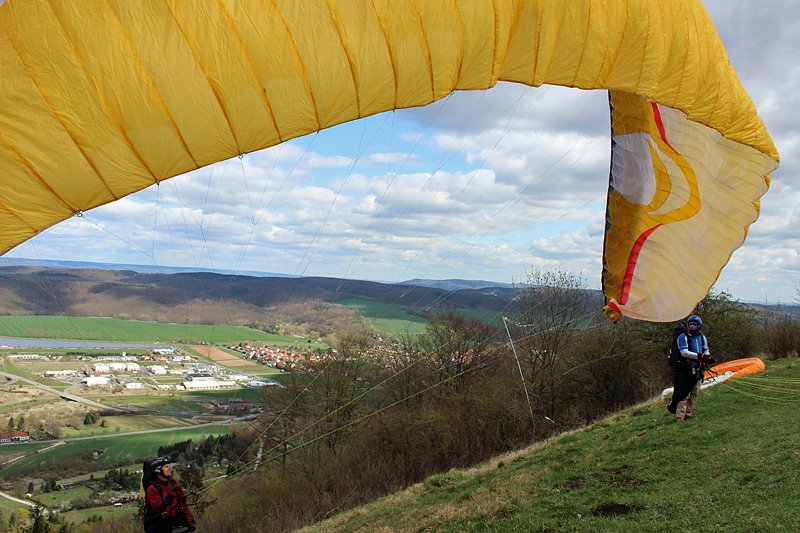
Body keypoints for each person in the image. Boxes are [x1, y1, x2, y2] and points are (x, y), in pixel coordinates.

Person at [667, 315, 715, 421]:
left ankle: (688, 413)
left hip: (699, 369)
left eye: (695, 324)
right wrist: (699, 356)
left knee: (695, 392)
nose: (692, 326)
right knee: (684, 393)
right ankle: (680, 416)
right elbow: (684, 352)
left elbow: (706, 349)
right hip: (685, 369)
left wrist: (706, 357)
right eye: (691, 324)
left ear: (699, 326)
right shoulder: (683, 337)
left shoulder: (702, 337)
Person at [144, 456, 196, 532]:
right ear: (158, 470)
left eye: (170, 466)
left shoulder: (173, 483)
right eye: (166, 466)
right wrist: (165, 502)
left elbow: (183, 504)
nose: (170, 468)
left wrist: (189, 521)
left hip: (173, 521)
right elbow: (158, 509)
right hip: (159, 524)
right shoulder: (152, 488)